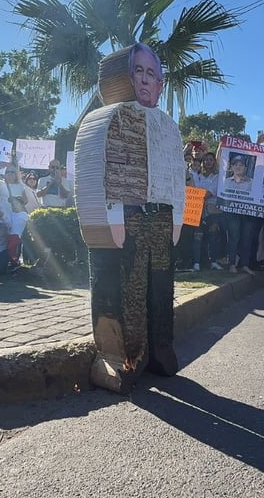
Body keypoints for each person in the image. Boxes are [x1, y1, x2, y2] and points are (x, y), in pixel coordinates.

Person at [78, 42, 186, 394]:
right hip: (126, 215)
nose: (144, 79)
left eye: (151, 73)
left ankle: (160, 349)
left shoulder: (170, 127)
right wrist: (111, 216)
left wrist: (178, 216)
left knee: (159, 288)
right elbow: (98, 174)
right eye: (138, 71)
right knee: (123, 288)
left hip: (161, 217)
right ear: (119, 78)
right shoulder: (105, 119)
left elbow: (174, 174)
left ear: (160, 83)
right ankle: (118, 356)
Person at [190, 151, 224, 272]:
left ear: (214, 162)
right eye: (206, 160)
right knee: (197, 236)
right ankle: (196, 263)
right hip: (197, 209)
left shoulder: (217, 177)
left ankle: (213, 261)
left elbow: (209, 193)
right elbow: (192, 189)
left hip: (212, 210)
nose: (208, 162)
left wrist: (197, 194)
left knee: (213, 235)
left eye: (210, 159)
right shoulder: (196, 175)